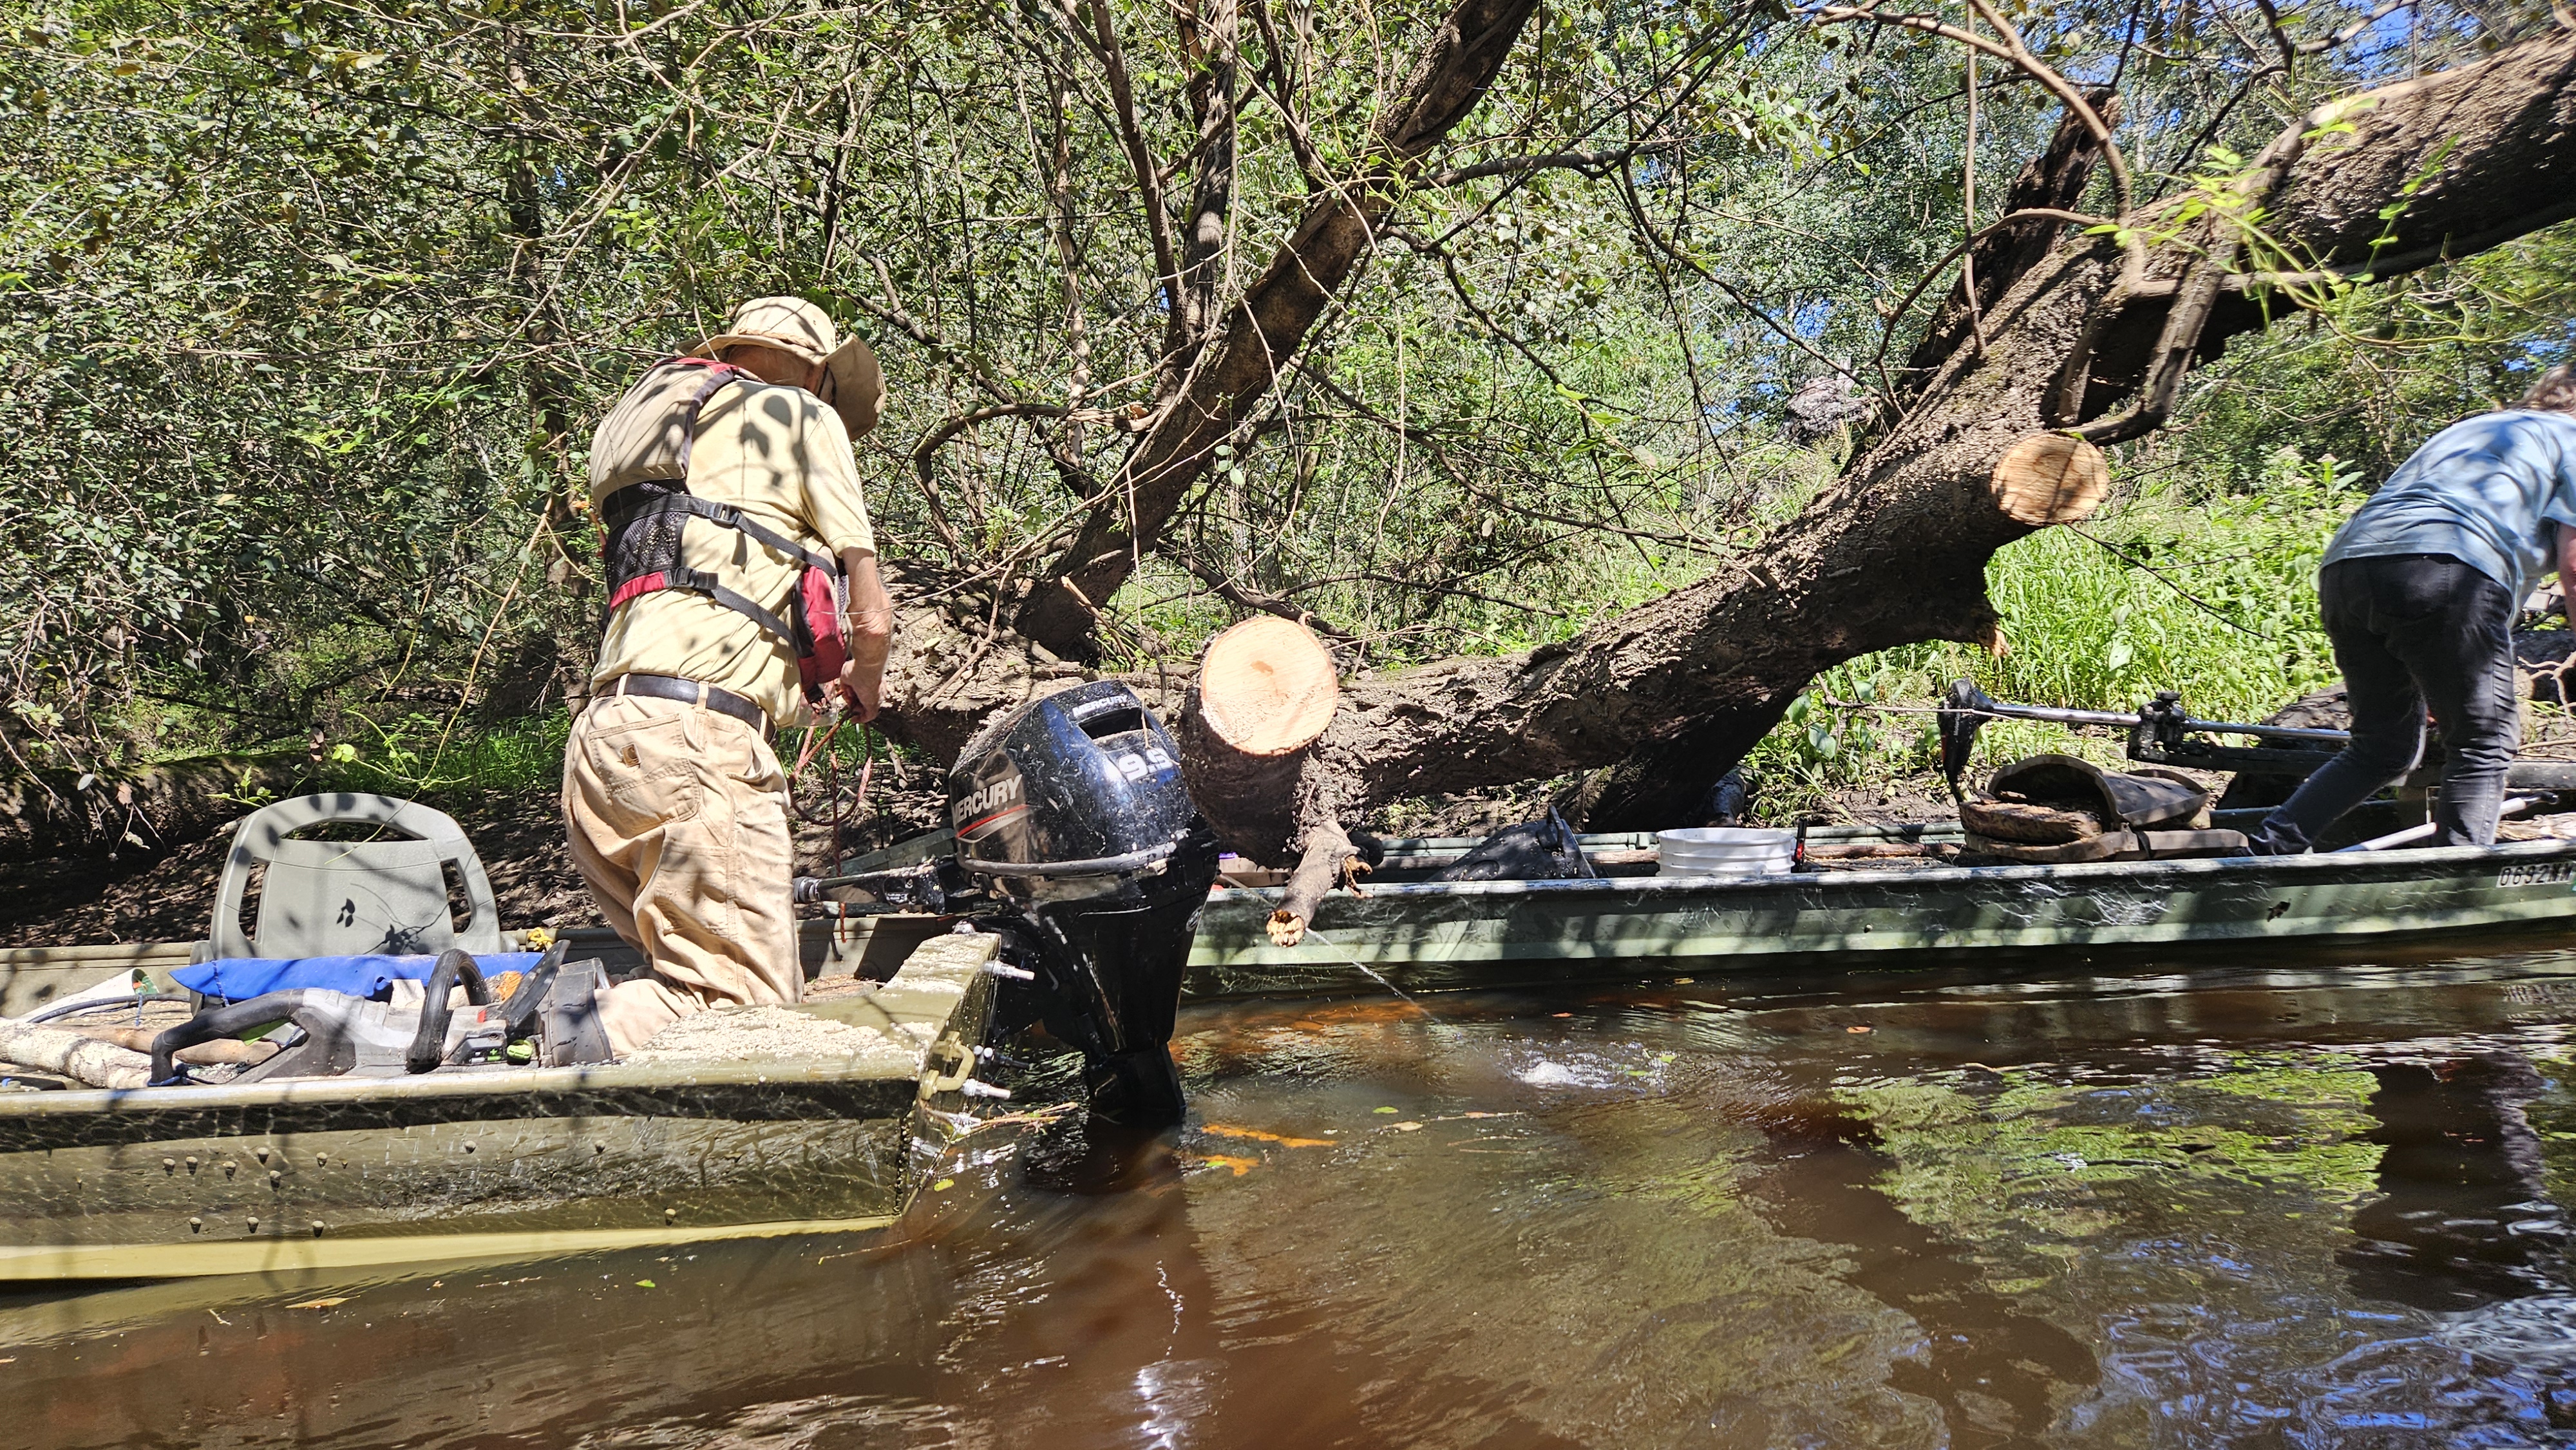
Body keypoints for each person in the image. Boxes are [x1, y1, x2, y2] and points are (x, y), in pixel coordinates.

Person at [563, 297, 896, 1053]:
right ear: (817, 370)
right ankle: (545, 1041)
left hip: (604, 746)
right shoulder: (797, 415)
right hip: (696, 743)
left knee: (690, 986)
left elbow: (703, 594)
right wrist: (865, 682)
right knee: (736, 1007)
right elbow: (870, 613)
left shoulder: (644, 431)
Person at [2252, 366, 2576, 854]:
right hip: (2447, 566)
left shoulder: (2481, 428)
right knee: (2485, 739)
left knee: (2383, 747)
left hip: (2349, 568)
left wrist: (2434, 680)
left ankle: (2264, 852)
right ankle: (2454, 885)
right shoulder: (2572, 440)